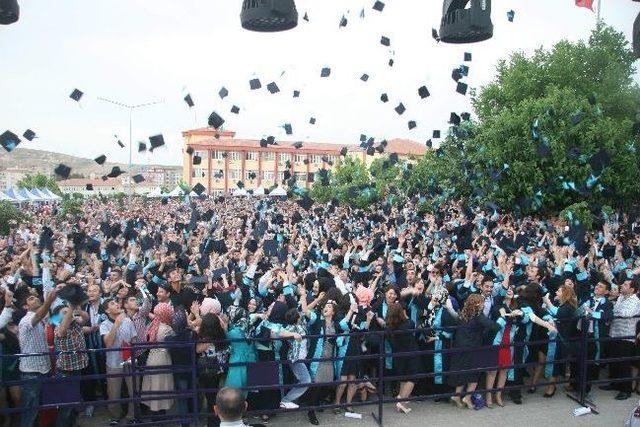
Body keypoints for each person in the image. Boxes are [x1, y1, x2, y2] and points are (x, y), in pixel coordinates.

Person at [447, 294, 500, 409]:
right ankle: (467, 398)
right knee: (475, 374)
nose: (483, 305)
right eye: (481, 303)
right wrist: (503, 319)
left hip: (460, 347)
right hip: (473, 348)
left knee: (462, 372)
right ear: (477, 304)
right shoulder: (478, 316)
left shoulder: (462, 314)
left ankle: (457, 396)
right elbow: (494, 326)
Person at [18, 288, 57, 427]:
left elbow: (51, 318)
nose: (35, 298)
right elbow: (39, 316)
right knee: (30, 412)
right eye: (31, 299)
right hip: (31, 372)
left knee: (42, 408)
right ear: (25, 306)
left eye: (35, 297)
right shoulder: (26, 319)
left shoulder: (42, 320)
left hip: (43, 369)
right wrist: (49, 300)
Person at [100, 297, 137, 425]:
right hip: (113, 363)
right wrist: (116, 324)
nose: (116, 304)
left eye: (116, 302)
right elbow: (108, 343)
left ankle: (132, 416)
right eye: (112, 303)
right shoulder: (104, 324)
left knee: (134, 391)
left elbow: (134, 340)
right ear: (106, 310)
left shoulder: (128, 321)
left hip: (129, 360)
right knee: (113, 393)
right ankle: (115, 416)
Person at [385, 302, 423, 414]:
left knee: (403, 378)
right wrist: (404, 314)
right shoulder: (408, 324)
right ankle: (401, 402)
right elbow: (411, 321)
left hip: (398, 355)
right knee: (412, 378)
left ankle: (401, 402)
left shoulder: (389, 327)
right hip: (411, 354)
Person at [607, 279, 640, 400]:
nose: (622, 286)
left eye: (625, 285)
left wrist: (615, 312)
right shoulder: (621, 298)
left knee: (624, 363)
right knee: (614, 361)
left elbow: (627, 313)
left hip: (626, 336)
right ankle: (615, 384)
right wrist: (615, 312)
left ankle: (626, 390)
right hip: (614, 333)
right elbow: (615, 311)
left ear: (632, 289)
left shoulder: (636, 301)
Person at [141, 302, 175, 413]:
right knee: (161, 386)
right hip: (163, 358)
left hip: (151, 357)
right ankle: (160, 415)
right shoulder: (167, 329)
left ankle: (153, 414)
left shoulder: (152, 325)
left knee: (153, 386)